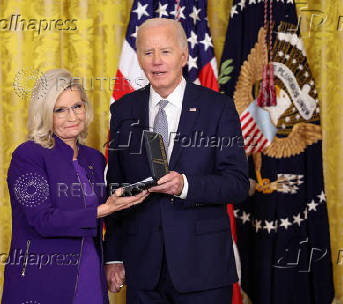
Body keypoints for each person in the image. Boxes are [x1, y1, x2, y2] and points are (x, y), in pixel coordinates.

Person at [104, 18, 249, 303]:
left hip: (203, 269)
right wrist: (114, 256)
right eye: (148, 53)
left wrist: (185, 185)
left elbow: (237, 184)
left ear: (183, 56)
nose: (157, 61)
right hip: (143, 269)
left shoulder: (218, 108)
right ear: (139, 59)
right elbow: (116, 186)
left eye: (166, 52)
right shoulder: (123, 110)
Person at [1, 69, 148, 304]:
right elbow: (43, 221)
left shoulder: (95, 159)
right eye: (60, 110)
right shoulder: (27, 156)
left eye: (77, 106)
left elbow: (111, 222)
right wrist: (105, 209)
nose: (72, 117)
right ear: (44, 114)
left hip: (91, 274)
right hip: (42, 281)